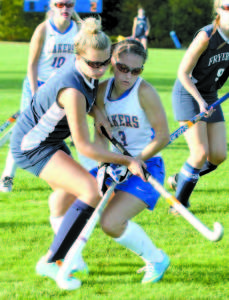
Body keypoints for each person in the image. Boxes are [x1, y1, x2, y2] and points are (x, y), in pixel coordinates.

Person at [10, 17, 146, 290]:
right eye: (92, 64)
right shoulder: (72, 90)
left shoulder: (87, 75)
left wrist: (98, 113)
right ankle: (52, 260)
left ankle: (70, 254)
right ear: (78, 56)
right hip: (32, 146)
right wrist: (128, 160)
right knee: (90, 192)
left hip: (50, 140)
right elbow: (84, 146)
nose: (98, 70)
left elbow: (91, 97)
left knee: (65, 199)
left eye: (104, 63)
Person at [90, 39, 170, 284]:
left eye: (136, 71)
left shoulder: (144, 92)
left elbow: (163, 136)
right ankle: (66, 260)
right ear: (112, 62)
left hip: (146, 166)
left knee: (111, 223)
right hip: (114, 164)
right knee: (65, 199)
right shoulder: (101, 91)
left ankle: (156, 258)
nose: (128, 76)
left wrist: (136, 159)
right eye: (123, 68)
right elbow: (100, 139)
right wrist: (105, 163)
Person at [0, 0, 80, 193]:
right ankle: (7, 177)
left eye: (69, 5)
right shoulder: (43, 29)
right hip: (38, 85)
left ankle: (66, 175)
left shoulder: (78, 28)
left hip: (60, 90)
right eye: (60, 5)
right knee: (23, 131)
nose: (65, 9)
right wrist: (35, 95)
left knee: (55, 132)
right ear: (52, 5)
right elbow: (32, 66)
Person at [167, 0, 229, 211]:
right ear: (218, 10)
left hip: (210, 94)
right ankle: (178, 204)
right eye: (227, 6)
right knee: (199, 152)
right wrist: (200, 102)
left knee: (219, 155)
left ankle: (181, 177)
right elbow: (183, 73)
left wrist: (207, 99)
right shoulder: (207, 36)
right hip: (188, 93)